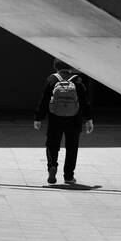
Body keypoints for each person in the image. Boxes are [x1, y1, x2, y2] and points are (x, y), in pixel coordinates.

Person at [33, 57, 94, 185]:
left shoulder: (52, 79)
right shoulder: (77, 80)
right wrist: (88, 120)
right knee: (72, 147)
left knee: (52, 145)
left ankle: (52, 166)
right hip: (74, 119)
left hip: (55, 118)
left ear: (56, 67)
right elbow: (84, 102)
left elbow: (44, 100)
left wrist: (38, 118)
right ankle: (68, 176)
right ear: (70, 67)